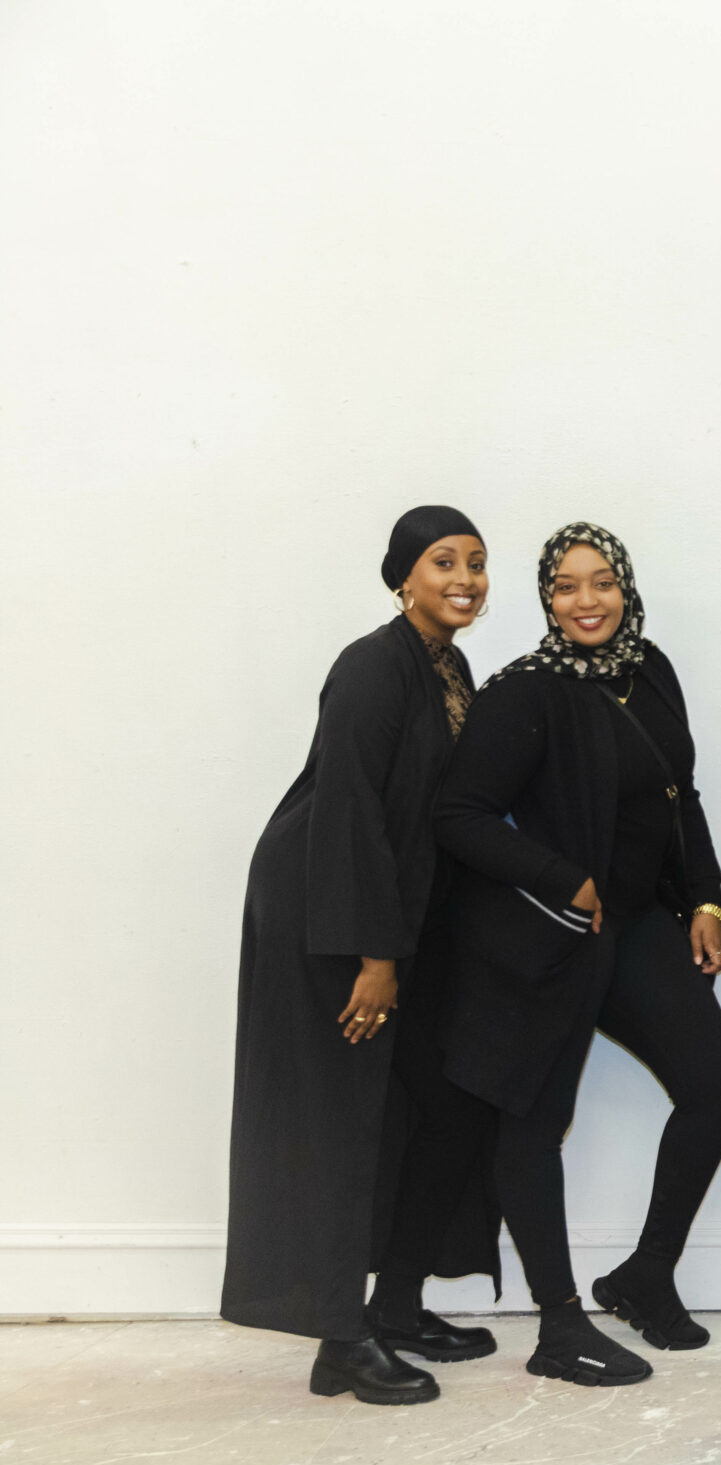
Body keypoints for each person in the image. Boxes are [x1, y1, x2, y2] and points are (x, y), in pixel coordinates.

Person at [435, 523, 721, 1387]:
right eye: (566, 586)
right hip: (554, 928)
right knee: (535, 1120)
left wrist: (706, 900)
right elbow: (456, 813)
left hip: (639, 920)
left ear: (624, 586)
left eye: (601, 581)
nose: (586, 601)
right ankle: (559, 1323)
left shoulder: (651, 671)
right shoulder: (526, 693)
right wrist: (561, 877)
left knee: (715, 1083)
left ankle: (644, 1275)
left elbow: (681, 798)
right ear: (546, 598)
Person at [222, 505, 494, 1405]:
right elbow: (349, 813)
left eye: (476, 564)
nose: (464, 578)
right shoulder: (372, 667)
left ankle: (398, 1303)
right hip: (324, 907)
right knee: (339, 1115)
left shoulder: (449, 668)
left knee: (422, 1103)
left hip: (386, 908)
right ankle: (340, 1342)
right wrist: (373, 958)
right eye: (443, 561)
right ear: (403, 577)